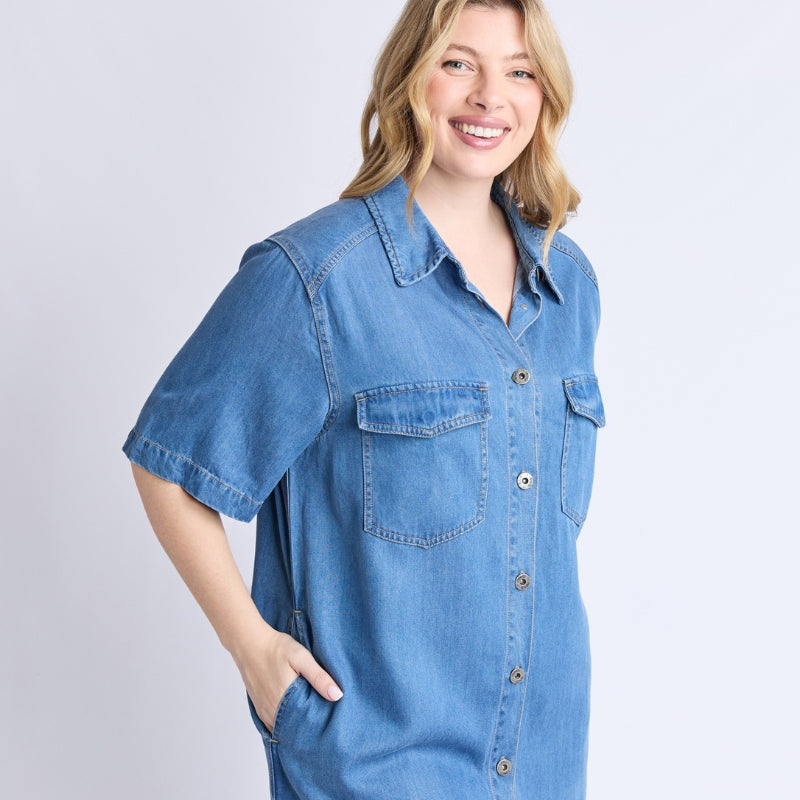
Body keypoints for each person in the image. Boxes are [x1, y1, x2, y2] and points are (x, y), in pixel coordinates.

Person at [123, 0, 605, 797]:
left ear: (544, 94)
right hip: (376, 764)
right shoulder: (316, 278)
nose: (490, 96)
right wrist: (253, 650)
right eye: (459, 63)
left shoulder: (568, 285)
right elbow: (167, 463)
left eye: (519, 71)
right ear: (410, 78)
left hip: (545, 760)